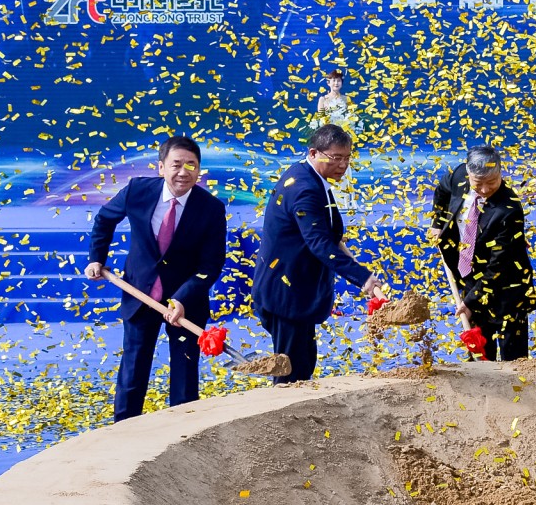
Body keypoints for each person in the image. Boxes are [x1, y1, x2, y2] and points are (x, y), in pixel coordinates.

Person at [84, 135, 228, 421]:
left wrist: (182, 299)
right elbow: (104, 219)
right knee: (133, 371)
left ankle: (183, 433)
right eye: (176, 164)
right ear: (161, 167)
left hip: (186, 302)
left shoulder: (211, 208)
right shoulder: (137, 191)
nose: (184, 172)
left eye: (191, 165)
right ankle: (124, 429)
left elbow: (211, 263)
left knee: (185, 377)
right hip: (140, 294)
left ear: (199, 170)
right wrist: (96, 257)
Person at [252, 124, 381, 383]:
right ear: (314, 153)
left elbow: (330, 236)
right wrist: (363, 279)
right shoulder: (305, 188)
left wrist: (356, 265)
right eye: (336, 158)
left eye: (347, 158)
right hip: (286, 294)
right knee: (290, 374)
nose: (343, 165)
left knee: (303, 365)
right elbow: (319, 243)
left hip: (298, 293)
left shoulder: (310, 176)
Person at [428, 145, 536, 362]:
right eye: (478, 183)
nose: (485, 189)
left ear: (500, 173)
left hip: (507, 289)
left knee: (513, 361)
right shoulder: (459, 176)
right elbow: (442, 190)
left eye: (492, 182)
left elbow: (498, 265)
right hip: (471, 275)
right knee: (479, 354)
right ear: (469, 174)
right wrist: (438, 223)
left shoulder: (509, 210)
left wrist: (471, 301)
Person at [316, 68, 356, 132]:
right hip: (328, 131)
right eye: (334, 80)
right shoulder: (322, 99)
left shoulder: (347, 98)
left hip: (343, 131)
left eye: (339, 81)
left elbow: (351, 115)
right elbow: (321, 117)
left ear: (342, 83)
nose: (336, 83)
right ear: (328, 83)